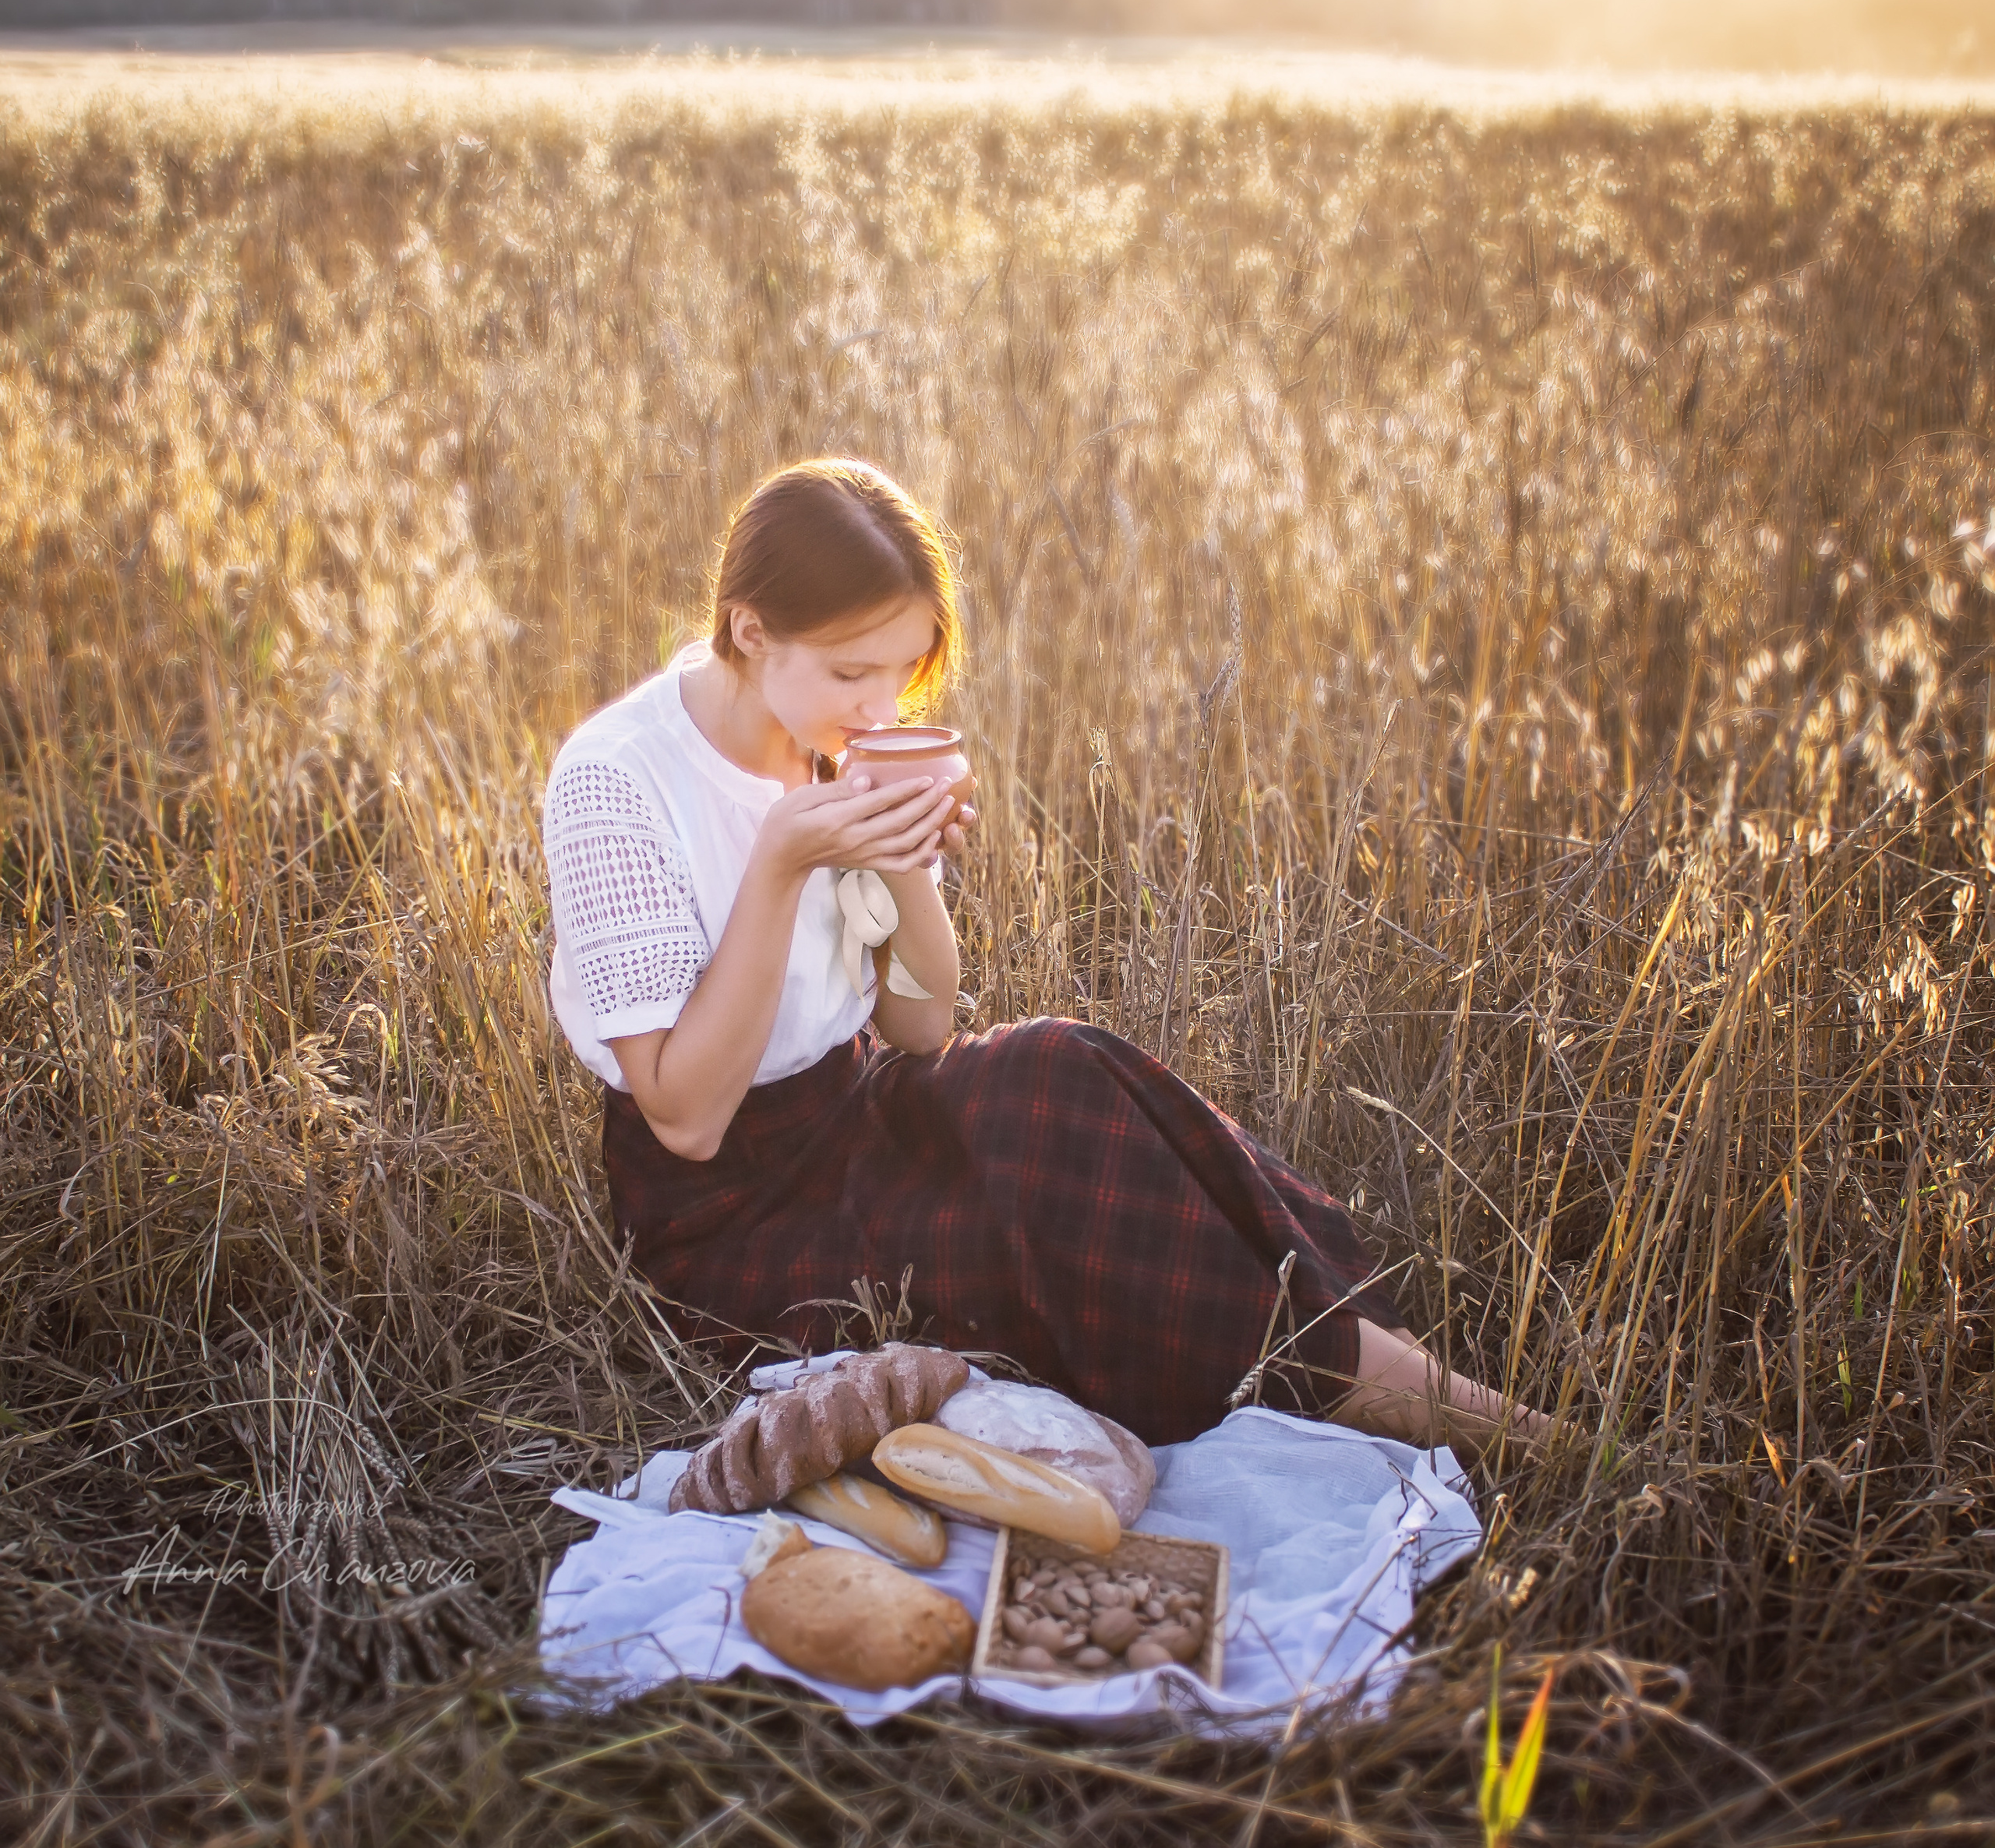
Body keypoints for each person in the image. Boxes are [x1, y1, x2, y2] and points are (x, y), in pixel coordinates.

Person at [542, 458, 1563, 1455]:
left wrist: (904, 866)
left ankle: (1366, 1357)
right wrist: (780, 866)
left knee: (1065, 1069)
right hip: (731, 1215)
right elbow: (685, 1118)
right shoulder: (618, 781)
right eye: (854, 673)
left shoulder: (841, 742)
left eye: (904, 673)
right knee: (1046, 1211)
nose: (881, 709)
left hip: (854, 1111)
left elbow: (919, 1028)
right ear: (749, 632)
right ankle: (1425, 1405)